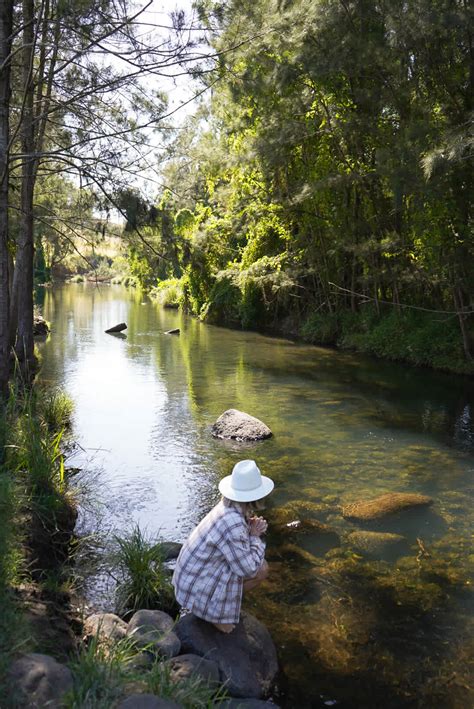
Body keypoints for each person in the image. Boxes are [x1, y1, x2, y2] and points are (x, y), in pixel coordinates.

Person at [172, 459, 274, 633]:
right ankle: (214, 615)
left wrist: (249, 530)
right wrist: (255, 537)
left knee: (254, 566)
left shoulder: (227, 507)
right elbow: (248, 570)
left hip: (187, 582)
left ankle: (216, 608)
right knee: (261, 570)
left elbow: (233, 545)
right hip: (191, 590)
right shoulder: (232, 522)